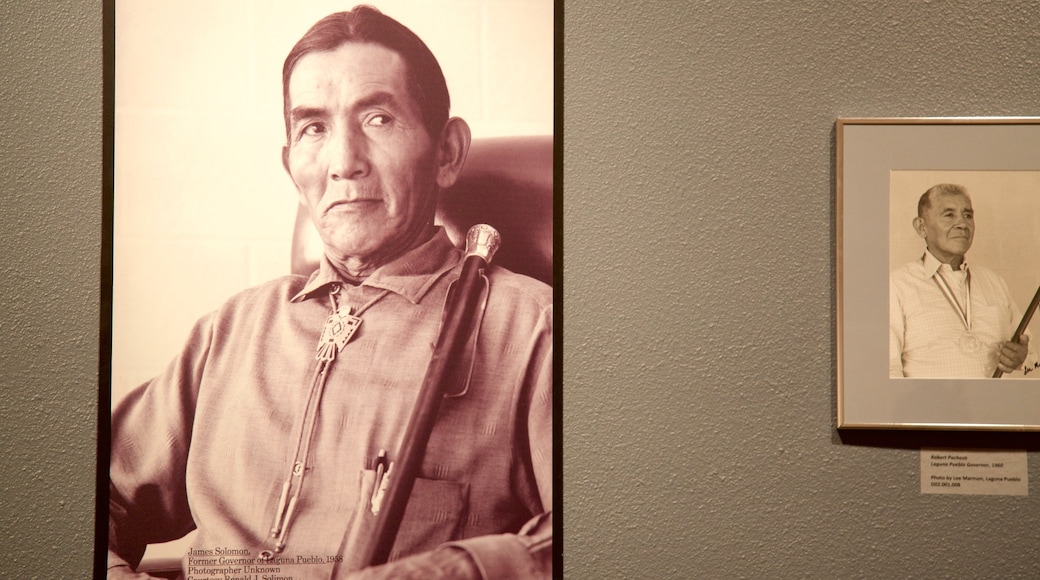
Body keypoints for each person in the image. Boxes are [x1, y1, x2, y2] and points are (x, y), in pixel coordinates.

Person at [108, 6, 552, 579]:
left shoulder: (532, 329)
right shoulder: (233, 329)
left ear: (446, 153)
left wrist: (440, 572)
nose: (344, 163)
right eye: (313, 127)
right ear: (291, 164)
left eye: (377, 119)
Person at [890, 183, 1037, 378]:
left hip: (995, 406)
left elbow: (1034, 363)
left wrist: (1022, 359)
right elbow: (888, 372)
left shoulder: (995, 283)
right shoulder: (897, 285)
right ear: (921, 227)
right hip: (931, 407)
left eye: (967, 215)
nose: (962, 224)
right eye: (949, 215)